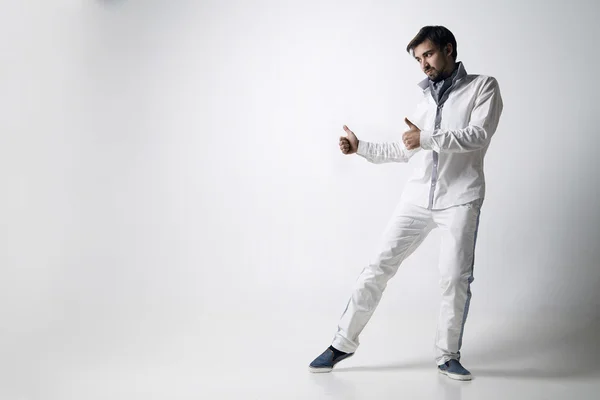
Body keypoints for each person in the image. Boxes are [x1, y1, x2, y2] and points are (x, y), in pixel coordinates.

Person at [308, 26, 503, 381]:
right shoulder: (425, 100)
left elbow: (478, 136)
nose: (423, 64)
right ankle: (342, 343)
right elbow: (405, 148)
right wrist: (361, 147)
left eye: (427, 55)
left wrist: (426, 137)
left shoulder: (483, 86)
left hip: (460, 199)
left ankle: (447, 356)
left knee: (454, 279)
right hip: (416, 199)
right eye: (418, 59)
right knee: (377, 267)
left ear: (448, 49)